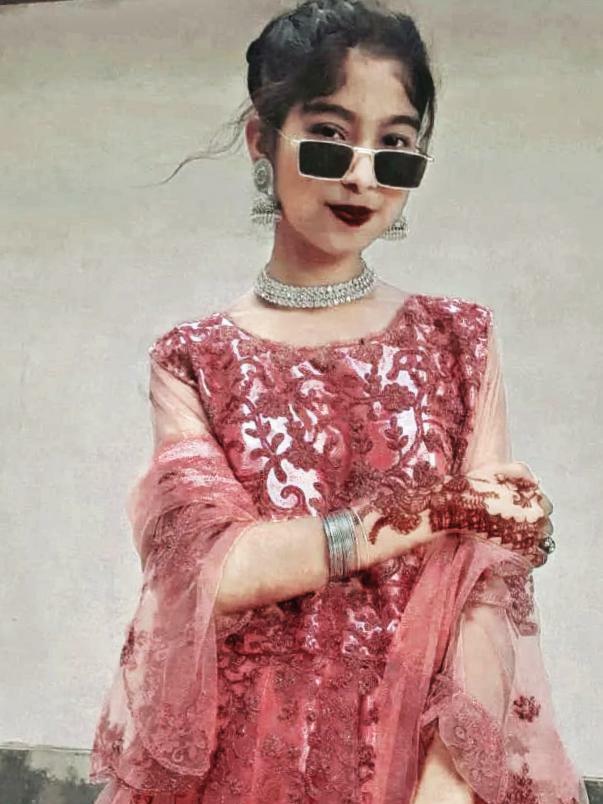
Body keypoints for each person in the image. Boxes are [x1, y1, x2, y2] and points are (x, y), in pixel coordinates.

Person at [89, 1, 588, 802]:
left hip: (414, 754)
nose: (362, 176)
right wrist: (447, 507)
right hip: (242, 756)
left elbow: (486, 580)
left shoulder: (458, 339)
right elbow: (218, 569)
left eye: (396, 149)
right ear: (262, 139)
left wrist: (446, 781)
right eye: (328, 136)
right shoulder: (192, 359)